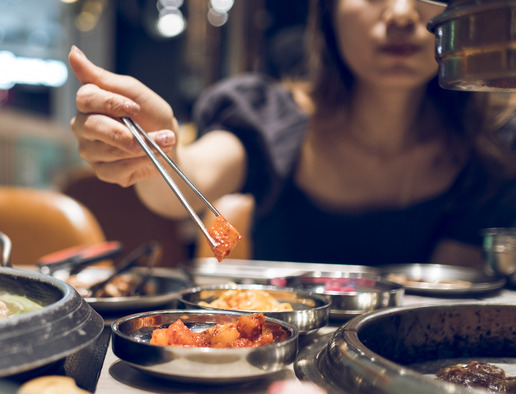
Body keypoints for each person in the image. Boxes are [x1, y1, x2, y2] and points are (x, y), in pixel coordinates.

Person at [67, 0, 516, 268]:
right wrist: (156, 146)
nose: (400, 14)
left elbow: (449, 313)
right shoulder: (269, 114)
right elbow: (190, 178)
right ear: (327, 14)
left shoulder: (493, 144)